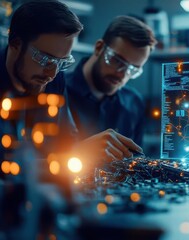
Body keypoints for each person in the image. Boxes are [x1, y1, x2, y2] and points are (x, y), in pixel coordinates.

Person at [0, 0, 142, 176]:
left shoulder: (55, 79)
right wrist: (75, 155)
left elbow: (67, 144)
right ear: (15, 44)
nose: (51, 73)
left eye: (61, 63)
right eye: (45, 59)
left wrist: (90, 150)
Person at [65, 16, 157, 147]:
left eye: (132, 69)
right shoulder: (56, 90)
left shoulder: (133, 102)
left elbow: (136, 162)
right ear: (99, 48)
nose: (122, 74)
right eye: (117, 61)